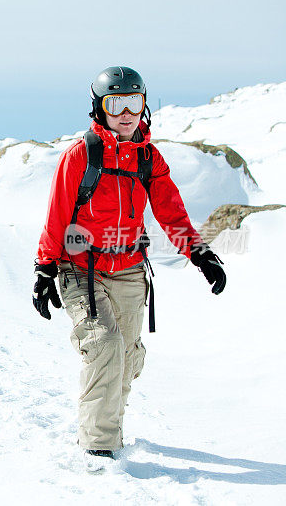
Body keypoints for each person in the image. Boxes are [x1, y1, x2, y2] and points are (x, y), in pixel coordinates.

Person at [32, 66, 226, 467]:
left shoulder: (148, 158)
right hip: (80, 267)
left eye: (133, 103)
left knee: (129, 355)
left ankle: (109, 428)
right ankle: (99, 449)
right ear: (100, 109)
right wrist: (44, 268)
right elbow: (57, 216)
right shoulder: (81, 154)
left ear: (144, 106)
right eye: (115, 103)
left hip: (130, 267)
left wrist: (199, 253)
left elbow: (172, 211)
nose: (126, 113)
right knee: (104, 344)